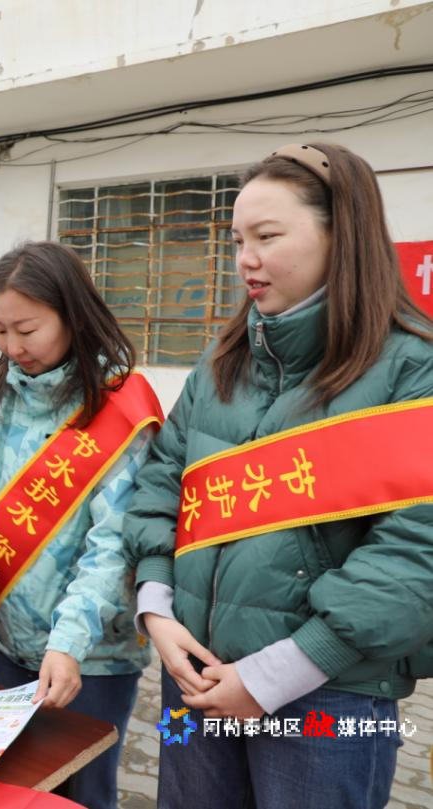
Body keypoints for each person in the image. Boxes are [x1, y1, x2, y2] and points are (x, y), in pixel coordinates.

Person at [125, 143, 433, 809]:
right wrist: (156, 606)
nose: (245, 259)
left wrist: (278, 673)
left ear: (341, 235)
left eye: (266, 237)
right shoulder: (221, 358)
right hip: (193, 675)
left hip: (329, 696)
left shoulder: (413, 368)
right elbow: (163, 480)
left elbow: (416, 551)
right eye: (237, 240)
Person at [0, 241, 163, 809]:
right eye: (0, 330)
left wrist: (69, 644)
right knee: (15, 788)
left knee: (82, 790)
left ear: (73, 316)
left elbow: (114, 546)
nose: (12, 347)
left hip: (91, 657)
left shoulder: (121, 409)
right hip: (8, 639)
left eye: (26, 329)